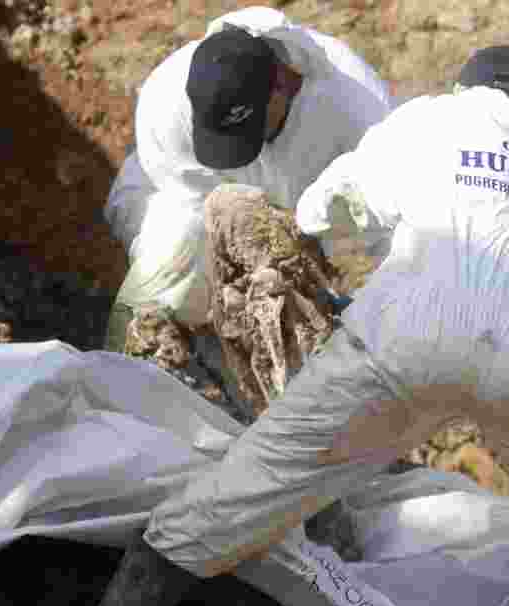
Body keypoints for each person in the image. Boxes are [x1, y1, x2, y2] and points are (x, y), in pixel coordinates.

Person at [37, 45, 509, 606]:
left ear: (463, 87)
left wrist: (311, 234)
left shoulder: (431, 117)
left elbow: (338, 200)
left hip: (411, 333)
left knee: (259, 478)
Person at [100, 5, 390, 352]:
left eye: (252, 129)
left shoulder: (357, 105)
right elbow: (188, 202)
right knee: (171, 252)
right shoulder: (166, 101)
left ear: (282, 83)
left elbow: (392, 226)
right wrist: (233, 271)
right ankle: (151, 352)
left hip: (304, 215)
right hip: (180, 197)